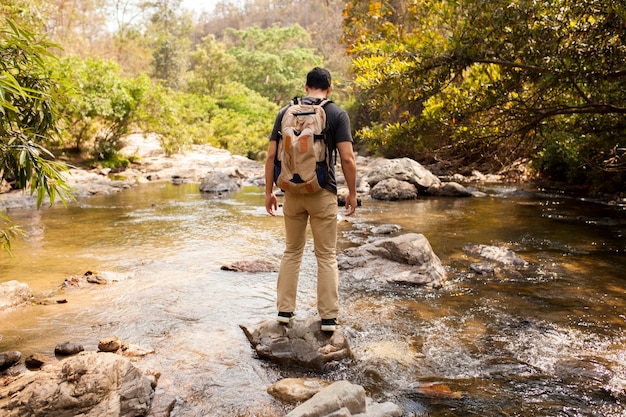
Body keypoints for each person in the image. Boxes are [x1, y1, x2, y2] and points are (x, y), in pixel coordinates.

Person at [264, 67, 358, 332]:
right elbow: (348, 159)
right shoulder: (336, 113)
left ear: (306, 86)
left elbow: (271, 157)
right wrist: (351, 193)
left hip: (291, 193)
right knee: (326, 255)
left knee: (292, 251)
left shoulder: (285, 113)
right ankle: (328, 318)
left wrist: (269, 191)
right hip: (322, 192)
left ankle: (284, 311)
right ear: (329, 88)